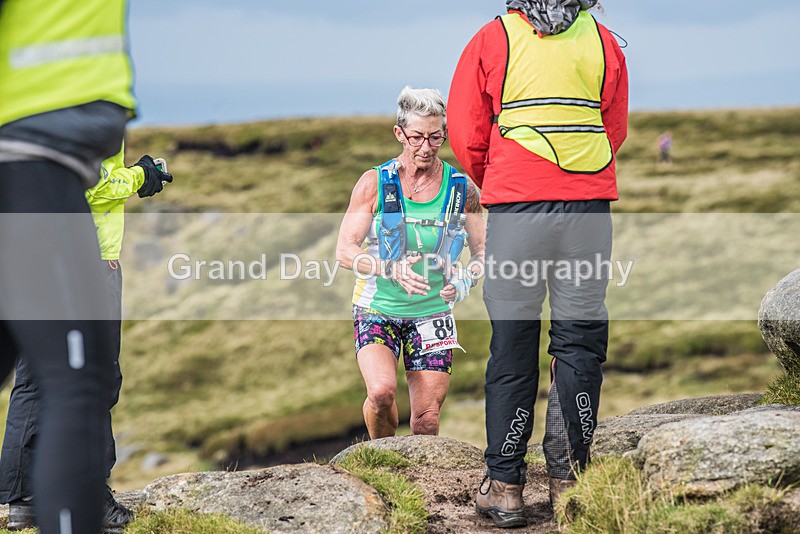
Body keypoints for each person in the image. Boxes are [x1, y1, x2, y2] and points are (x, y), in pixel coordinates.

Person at [447, 0, 628, 528]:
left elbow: (465, 132)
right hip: (588, 209)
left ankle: (505, 486)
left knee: (513, 340)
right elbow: (612, 128)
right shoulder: (605, 41)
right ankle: (569, 480)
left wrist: (503, 177)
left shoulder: (492, 38)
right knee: (580, 340)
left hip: (517, 207)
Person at [0, 0, 138, 532]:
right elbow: (101, 184)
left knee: (54, 376)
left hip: (39, 153)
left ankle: (24, 497)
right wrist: (139, 179)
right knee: (76, 383)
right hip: (32, 156)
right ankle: (56, 500)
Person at [0, 145, 173, 532]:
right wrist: (143, 176)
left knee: (35, 376)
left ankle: (23, 499)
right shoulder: (90, 111)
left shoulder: (39, 112)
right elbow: (93, 183)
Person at [336, 86, 485, 440]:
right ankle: (382, 462)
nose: (425, 147)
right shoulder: (374, 183)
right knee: (381, 393)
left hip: (433, 312)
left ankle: (421, 488)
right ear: (399, 134)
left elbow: (484, 253)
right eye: (416, 137)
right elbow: (345, 251)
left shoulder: (462, 189)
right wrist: (391, 269)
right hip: (378, 307)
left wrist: (466, 279)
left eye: (436, 138)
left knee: (427, 421)